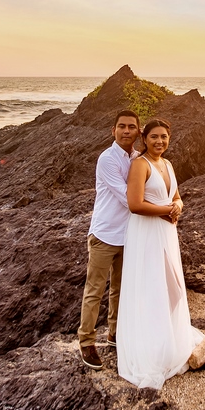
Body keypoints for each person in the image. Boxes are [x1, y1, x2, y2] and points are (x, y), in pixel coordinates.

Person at [117, 118, 204, 388]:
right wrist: (167, 210)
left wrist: (177, 206)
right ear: (144, 139)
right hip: (146, 232)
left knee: (173, 288)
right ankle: (151, 349)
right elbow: (134, 204)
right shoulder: (140, 165)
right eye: (154, 136)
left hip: (166, 231)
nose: (159, 141)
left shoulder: (167, 164)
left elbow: (176, 196)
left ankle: (166, 338)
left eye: (164, 136)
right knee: (152, 287)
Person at [78, 110, 141, 370]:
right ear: (113, 130)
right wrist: (161, 208)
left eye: (131, 127)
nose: (126, 131)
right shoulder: (107, 159)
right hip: (104, 235)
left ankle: (114, 334)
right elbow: (127, 198)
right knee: (95, 291)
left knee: (120, 289)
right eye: (121, 126)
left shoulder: (138, 158)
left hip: (129, 235)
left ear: (138, 131)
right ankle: (86, 341)